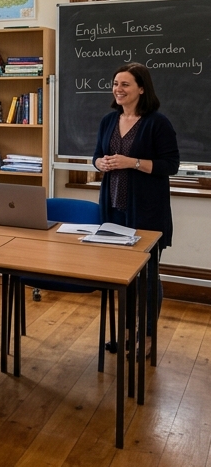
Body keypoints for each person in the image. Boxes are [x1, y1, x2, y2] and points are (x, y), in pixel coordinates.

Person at [93, 63, 179, 341]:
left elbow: (171, 165)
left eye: (125, 84)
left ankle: (148, 337)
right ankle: (127, 333)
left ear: (142, 88)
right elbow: (95, 156)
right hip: (113, 210)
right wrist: (101, 163)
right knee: (121, 276)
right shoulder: (108, 120)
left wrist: (133, 162)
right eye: (116, 83)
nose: (118, 89)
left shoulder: (157, 123)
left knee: (147, 278)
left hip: (146, 213)